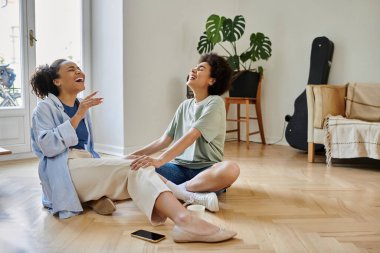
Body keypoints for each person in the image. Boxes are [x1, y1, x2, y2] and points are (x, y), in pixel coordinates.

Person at [29, 59, 237, 243]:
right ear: (57, 81)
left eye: (79, 69)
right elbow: (47, 147)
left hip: (83, 167)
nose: (79, 72)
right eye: (72, 69)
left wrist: (141, 160)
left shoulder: (79, 106)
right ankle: (185, 212)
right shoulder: (45, 108)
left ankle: (181, 210)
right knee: (137, 167)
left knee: (137, 169)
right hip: (62, 168)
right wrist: (80, 116)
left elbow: (190, 136)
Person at [128, 53, 240, 212]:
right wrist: (133, 155)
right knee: (134, 165)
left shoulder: (215, 103)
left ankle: (176, 190)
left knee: (231, 169)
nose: (193, 70)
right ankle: (185, 194)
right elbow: (164, 141)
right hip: (177, 169)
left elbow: (192, 135)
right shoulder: (184, 106)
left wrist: (159, 160)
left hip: (205, 172)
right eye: (194, 67)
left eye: (200, 68)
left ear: (212, 80)